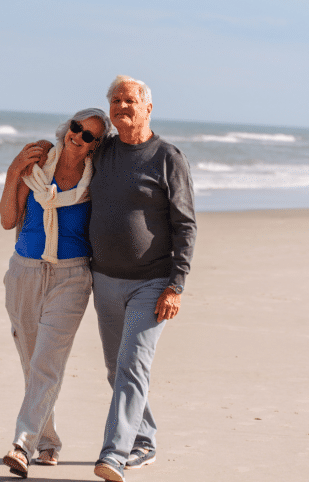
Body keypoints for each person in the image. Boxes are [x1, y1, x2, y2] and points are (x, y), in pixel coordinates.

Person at [90, 76, 196, 482]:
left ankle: (114, 455)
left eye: (129, 100)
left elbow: (185, 224)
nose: (122, 106)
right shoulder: (103, 153)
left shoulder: (168, 157)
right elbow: (71, 152)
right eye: (115, 100)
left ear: (148, 107)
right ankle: (145, 438)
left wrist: (177, 284)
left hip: (152, 283)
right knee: (116, 369)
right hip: (104, 280)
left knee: (132, 366)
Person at [0, 108, 111, 479]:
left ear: (96, 145)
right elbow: (7, 220)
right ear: (68, 128)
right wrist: (14, 171)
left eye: (89, 135)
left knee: (47, 361)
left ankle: (22, 444)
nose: (79, 136)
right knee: (32, 362)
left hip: (71, 278)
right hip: (25, 273)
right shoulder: (35, 165)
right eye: (76, 128)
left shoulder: (97, 181)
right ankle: (49, 442)